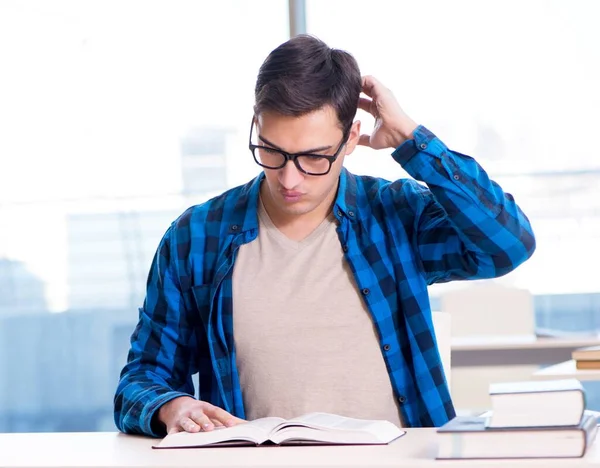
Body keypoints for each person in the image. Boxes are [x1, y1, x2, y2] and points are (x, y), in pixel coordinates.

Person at [114, 35, 535, 437]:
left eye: (314, 157)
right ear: (256, 125)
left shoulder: (395, 214)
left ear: (351, 137)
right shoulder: (196, 237)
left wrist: (412, 139)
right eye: (272, 151)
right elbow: (142, 379)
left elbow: (508, 245)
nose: (289, 178)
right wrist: (171, 406)